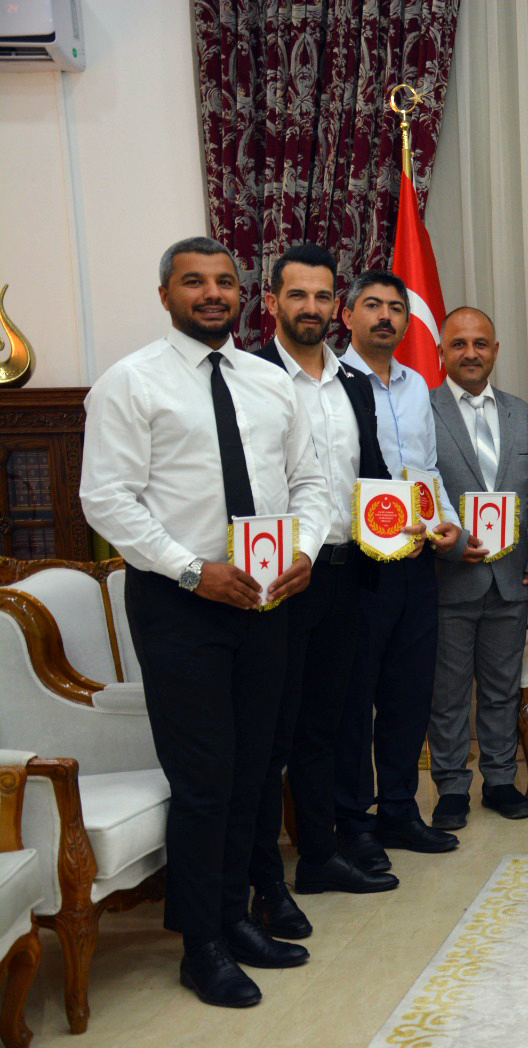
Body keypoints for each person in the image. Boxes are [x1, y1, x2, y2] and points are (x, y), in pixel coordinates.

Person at [80, 236, 331, 1007]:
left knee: (255, 769)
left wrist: (306, 550)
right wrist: (193, 569)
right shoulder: (130, 383)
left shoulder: (268, 382)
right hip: (180, 604)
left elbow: (310, 480)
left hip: (265, 597)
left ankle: (237, 916)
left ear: (241, 293)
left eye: (225, 281)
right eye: (195, 282)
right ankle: (202, 947)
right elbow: (106, 499)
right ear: (166, 295)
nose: (213, 293)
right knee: (204, 779)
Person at [250, 244, 399, 942]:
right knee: (272, 736)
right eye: (296, 295)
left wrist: (405, 519)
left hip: (345, 572)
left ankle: (318, 857)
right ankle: (264, 882)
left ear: (336, 305)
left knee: (326, 727)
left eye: (321, 296)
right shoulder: (249, 379)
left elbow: (371, 474)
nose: (310, 308)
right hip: (280, 578)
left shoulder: (354, 383)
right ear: (271, 302)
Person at [337, 271, 463, 870]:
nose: (385, 316)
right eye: (373, 305)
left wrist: (447, 522)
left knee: (408, 695)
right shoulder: (330, 383)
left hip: (416, 561)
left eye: (395, 308)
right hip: (356, 566)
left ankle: (399, 810)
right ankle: (352, 820)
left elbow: (427, 470)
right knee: (354, 698)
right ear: (347, 316)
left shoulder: (418, 387)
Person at [427, 306, 528, 829]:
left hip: (511, 579)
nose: (470, 353)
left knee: (503, 689)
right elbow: (415, 491)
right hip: (448, 578)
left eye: (480, 343)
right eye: (458, 344)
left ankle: (500, 781)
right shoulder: (422, 413)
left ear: (496, 350)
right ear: (441, 351)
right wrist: (448, 545)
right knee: (448, 693)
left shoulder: (524, 415)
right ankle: (451, 787)